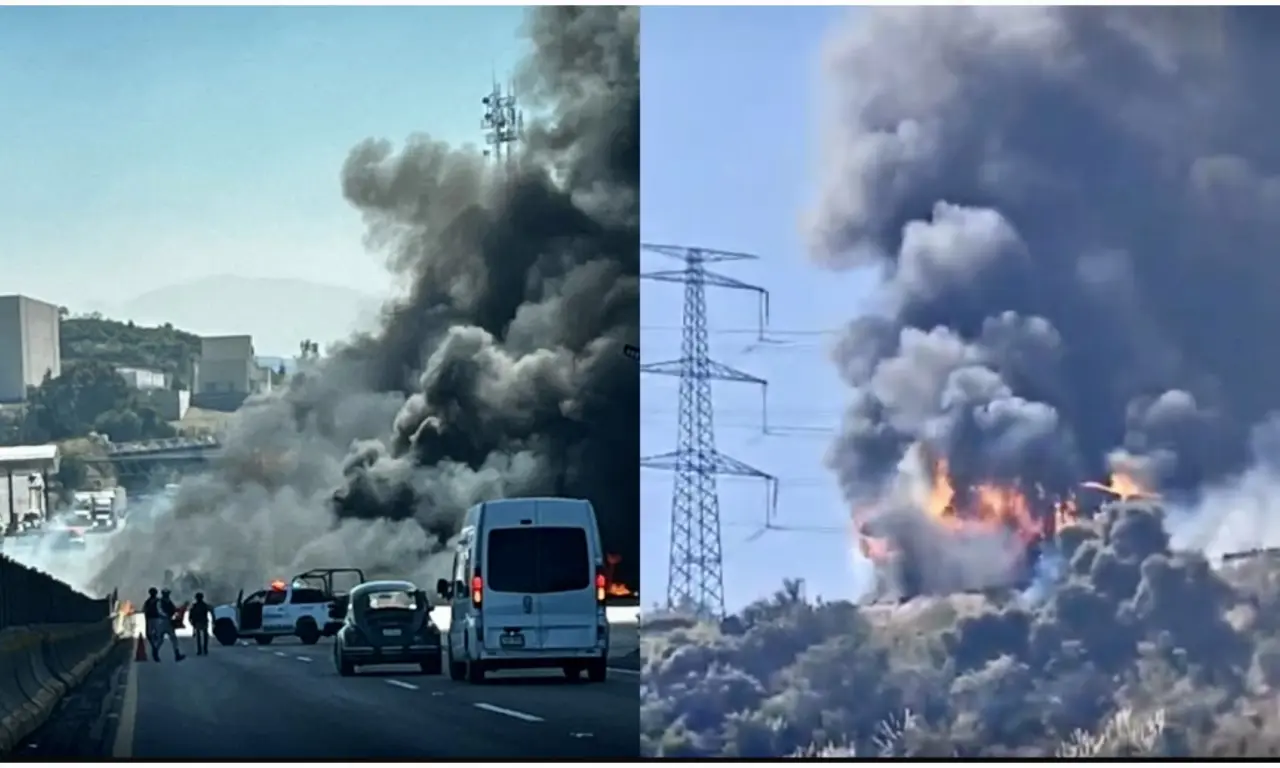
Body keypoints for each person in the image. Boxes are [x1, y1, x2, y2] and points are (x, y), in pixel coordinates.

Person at [156, 588, 186, 662]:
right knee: (160, 640)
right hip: (162, 622)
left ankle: (177, 654)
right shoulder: (160, 602)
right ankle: (155, 653)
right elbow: (159, 610)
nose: (167, 595)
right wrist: (166, 615)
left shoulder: (169, 601)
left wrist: (182, 607)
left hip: (168, 622)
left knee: (173, 639)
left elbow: (174, 609)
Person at [141, 587, 163, 662]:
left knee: (150, 635)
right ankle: (155, 649)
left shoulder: (148, 601)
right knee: (158, 636)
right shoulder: (158, 601)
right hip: (156, 619)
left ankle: (154, 648)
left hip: (150, 619)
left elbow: (144, 610)